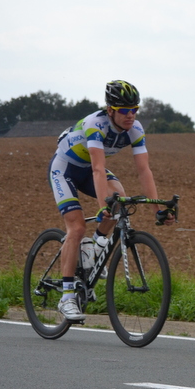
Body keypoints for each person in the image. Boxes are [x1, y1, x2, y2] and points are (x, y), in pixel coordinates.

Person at [48, 80, 175, 321]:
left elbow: (144, 171)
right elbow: (98, 169)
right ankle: (66, 297)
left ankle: (93, 252)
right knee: (77, 226)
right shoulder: (96, 125)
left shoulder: (135, 129)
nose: (131, 115)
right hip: (64, 168)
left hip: (88, 169)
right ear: (110, 111)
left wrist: (157, 208)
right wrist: (101, 206)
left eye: (135, 109)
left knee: (120, 202)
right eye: (124, 110)